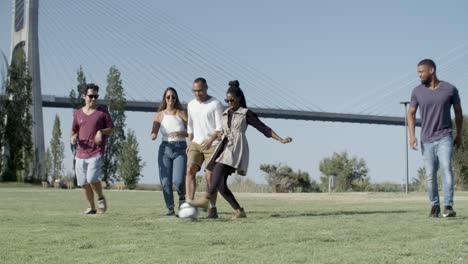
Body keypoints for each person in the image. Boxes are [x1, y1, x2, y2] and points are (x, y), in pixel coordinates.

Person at [190, 80, 292, 219]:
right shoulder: (225, 113)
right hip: (223, 147)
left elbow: (264, 128)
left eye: (231, 100)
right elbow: (222, 129)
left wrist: (280, 139)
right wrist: (219, 134)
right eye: (227, 100)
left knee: (216, 172)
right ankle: (239, 211)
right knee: (220, 185)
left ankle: (205, 200)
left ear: (239, 98)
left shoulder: (246, 113)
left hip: (235, 149)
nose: (229, 102)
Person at [408, 59, 463, 218]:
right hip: (426, 139)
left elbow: (458, 113)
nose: (419, 75)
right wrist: (412, 136)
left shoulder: (450, 89)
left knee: (446, 169)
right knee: (430, 174)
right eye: (418, 72)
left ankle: (448, 206)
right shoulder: (417, 91)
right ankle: (435, 206)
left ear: (431, 70)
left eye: (421, 72)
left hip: (444, 136)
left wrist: (459, 134)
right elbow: (411, 114)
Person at [71, 83, 114, 214]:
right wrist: (72, 138)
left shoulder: (103, 112)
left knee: (92, 179)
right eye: (91, 96)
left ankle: (100, 196)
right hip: (80, 153)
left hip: (96, 152)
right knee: (83, 182)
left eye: (96, 96)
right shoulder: (78, 113)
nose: (94, 99)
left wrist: (101, 131)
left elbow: (112, 129)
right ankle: (92, 207)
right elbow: (73, 131)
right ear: (84, 96)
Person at [186, 77, 223, 219]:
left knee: (210, 176)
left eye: (199, 90)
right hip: (195, 143)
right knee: (189, 170)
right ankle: (190, 205)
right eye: (194, 91)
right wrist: (190, 142)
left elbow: (220, 128)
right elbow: (189, 125)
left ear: (206, 88)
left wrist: (210, 140)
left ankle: (212, 208)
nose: (197, 94)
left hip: (212, 144)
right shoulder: (190, 105)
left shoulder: (215, 104)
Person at [151, 87, 188, 216]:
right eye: (168, 97)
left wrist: (179, 132)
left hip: (180, 147)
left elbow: (192, 132)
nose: (171, 99)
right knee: (165, 182)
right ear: (164, 99)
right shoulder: (160, 115)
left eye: (173, 97)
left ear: (176, 98)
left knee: (178, 181)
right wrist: (153, 135)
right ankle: (170, 209)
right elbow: (154, 131)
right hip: (165, 148)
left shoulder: (181, 113)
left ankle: (182, 198)